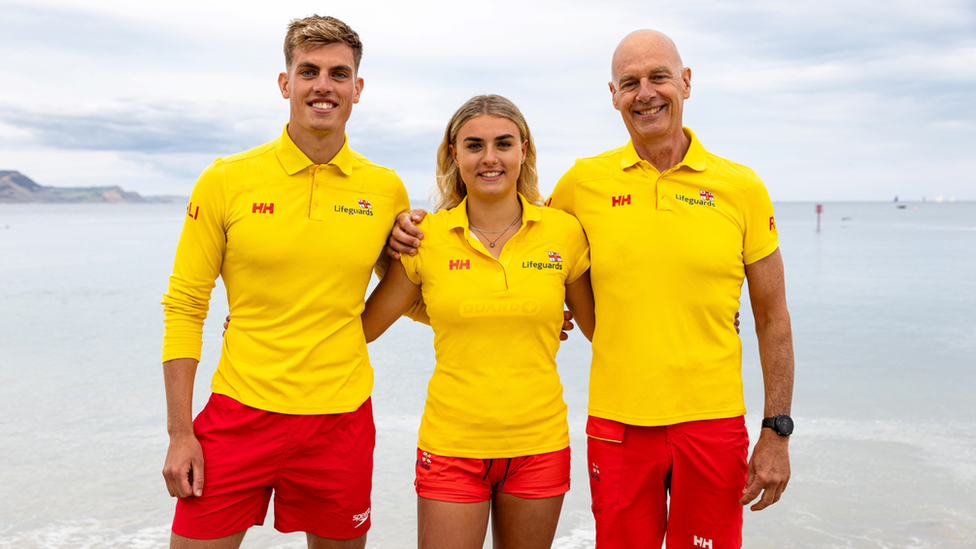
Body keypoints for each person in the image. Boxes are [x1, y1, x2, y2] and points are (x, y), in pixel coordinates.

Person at [389, 30, 795, 549]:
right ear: (613, 95)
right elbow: (515, 251)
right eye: (630, 83)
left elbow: (773, 317)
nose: (644, 93)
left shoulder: (742, 187)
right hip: (617, 427)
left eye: (658, 78)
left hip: (712, 424)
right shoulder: (583, 184)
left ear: (686, 83)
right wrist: (410, 238)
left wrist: (776, 431)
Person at [160, 15, 409, 549]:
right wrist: (181, 433)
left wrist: (528, 308)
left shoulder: (385, 190)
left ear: (357, 89)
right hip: (237, 414)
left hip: (340, 422)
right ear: (285, 83)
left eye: (339, 74)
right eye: (309, 71)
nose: (324, 85)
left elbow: (409, 291)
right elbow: (185, 305)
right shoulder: (227, 179)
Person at [362, 94, 595, 549]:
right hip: (451, 446)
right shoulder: (425, 239)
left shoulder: (563, 233)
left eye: (503, 143)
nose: (490, 158)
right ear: (454, 154)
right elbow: (360, 329)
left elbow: (603, 329)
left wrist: (703, 316)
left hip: (539, 444)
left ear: (523, 150)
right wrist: (265, 326)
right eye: (474, 146)